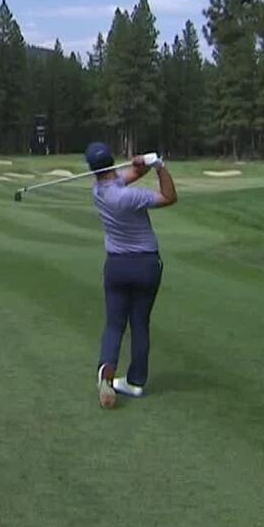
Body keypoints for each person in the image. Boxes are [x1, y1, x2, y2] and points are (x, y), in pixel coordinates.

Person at [86, 141, 177, 409]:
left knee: (114, 324)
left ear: (92, 169)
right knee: (139, 324)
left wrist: (143, 166)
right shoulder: (127, 197)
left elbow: (126, 176)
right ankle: (135, 382)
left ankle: (107, 371)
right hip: (145, 265)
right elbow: (169, 197)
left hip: (117, 266)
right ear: (112, 160)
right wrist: (160, 167)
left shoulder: (99, 191)